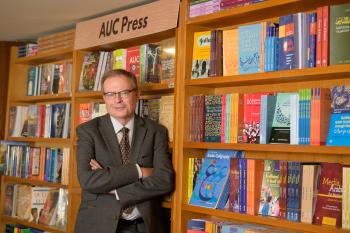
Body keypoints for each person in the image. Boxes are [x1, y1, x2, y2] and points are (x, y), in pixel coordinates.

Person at [74, 69, 174, 233]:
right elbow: (88, 180)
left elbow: (164, 180)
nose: (118, 100)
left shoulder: (156, 131)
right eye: (111, 94)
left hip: (143, 226)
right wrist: (139, 171)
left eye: (124, 93)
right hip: (97, 226)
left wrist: (114, 187)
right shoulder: (88, 131)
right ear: (104, 98)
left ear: (137, 94)